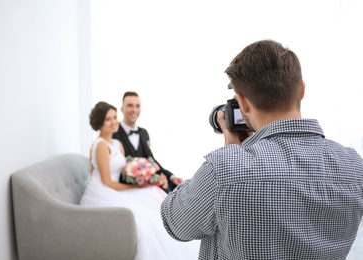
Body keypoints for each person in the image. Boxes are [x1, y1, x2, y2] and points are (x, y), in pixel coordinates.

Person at [160, 40, 363, 259]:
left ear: (242, 103)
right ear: (302, 90)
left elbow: (176, 224)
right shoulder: (353, 165)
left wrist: (230, 152)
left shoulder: (225, 168)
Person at [80, 101, 200, 260]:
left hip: (117, 186)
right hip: (103, 189)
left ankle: (177, 230)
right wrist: (137, 186)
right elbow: (107, 182)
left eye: (115, 117)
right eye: (108, 119)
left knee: (152, 194)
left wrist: (146, 176)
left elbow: (127, 168)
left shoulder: (116, 143)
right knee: (143, 215)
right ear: (100, 123)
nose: (114, 122)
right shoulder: (100, 145)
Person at [113, 91, 183, 192]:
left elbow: (151, 160)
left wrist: (171, 176)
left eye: (137, 106)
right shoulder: (114, 132)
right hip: (127, 183)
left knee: (177, 188)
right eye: (130, 106)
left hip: (147, 180)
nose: (134, 110)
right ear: (122, 109)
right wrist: (151, 179)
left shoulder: (144, 133)